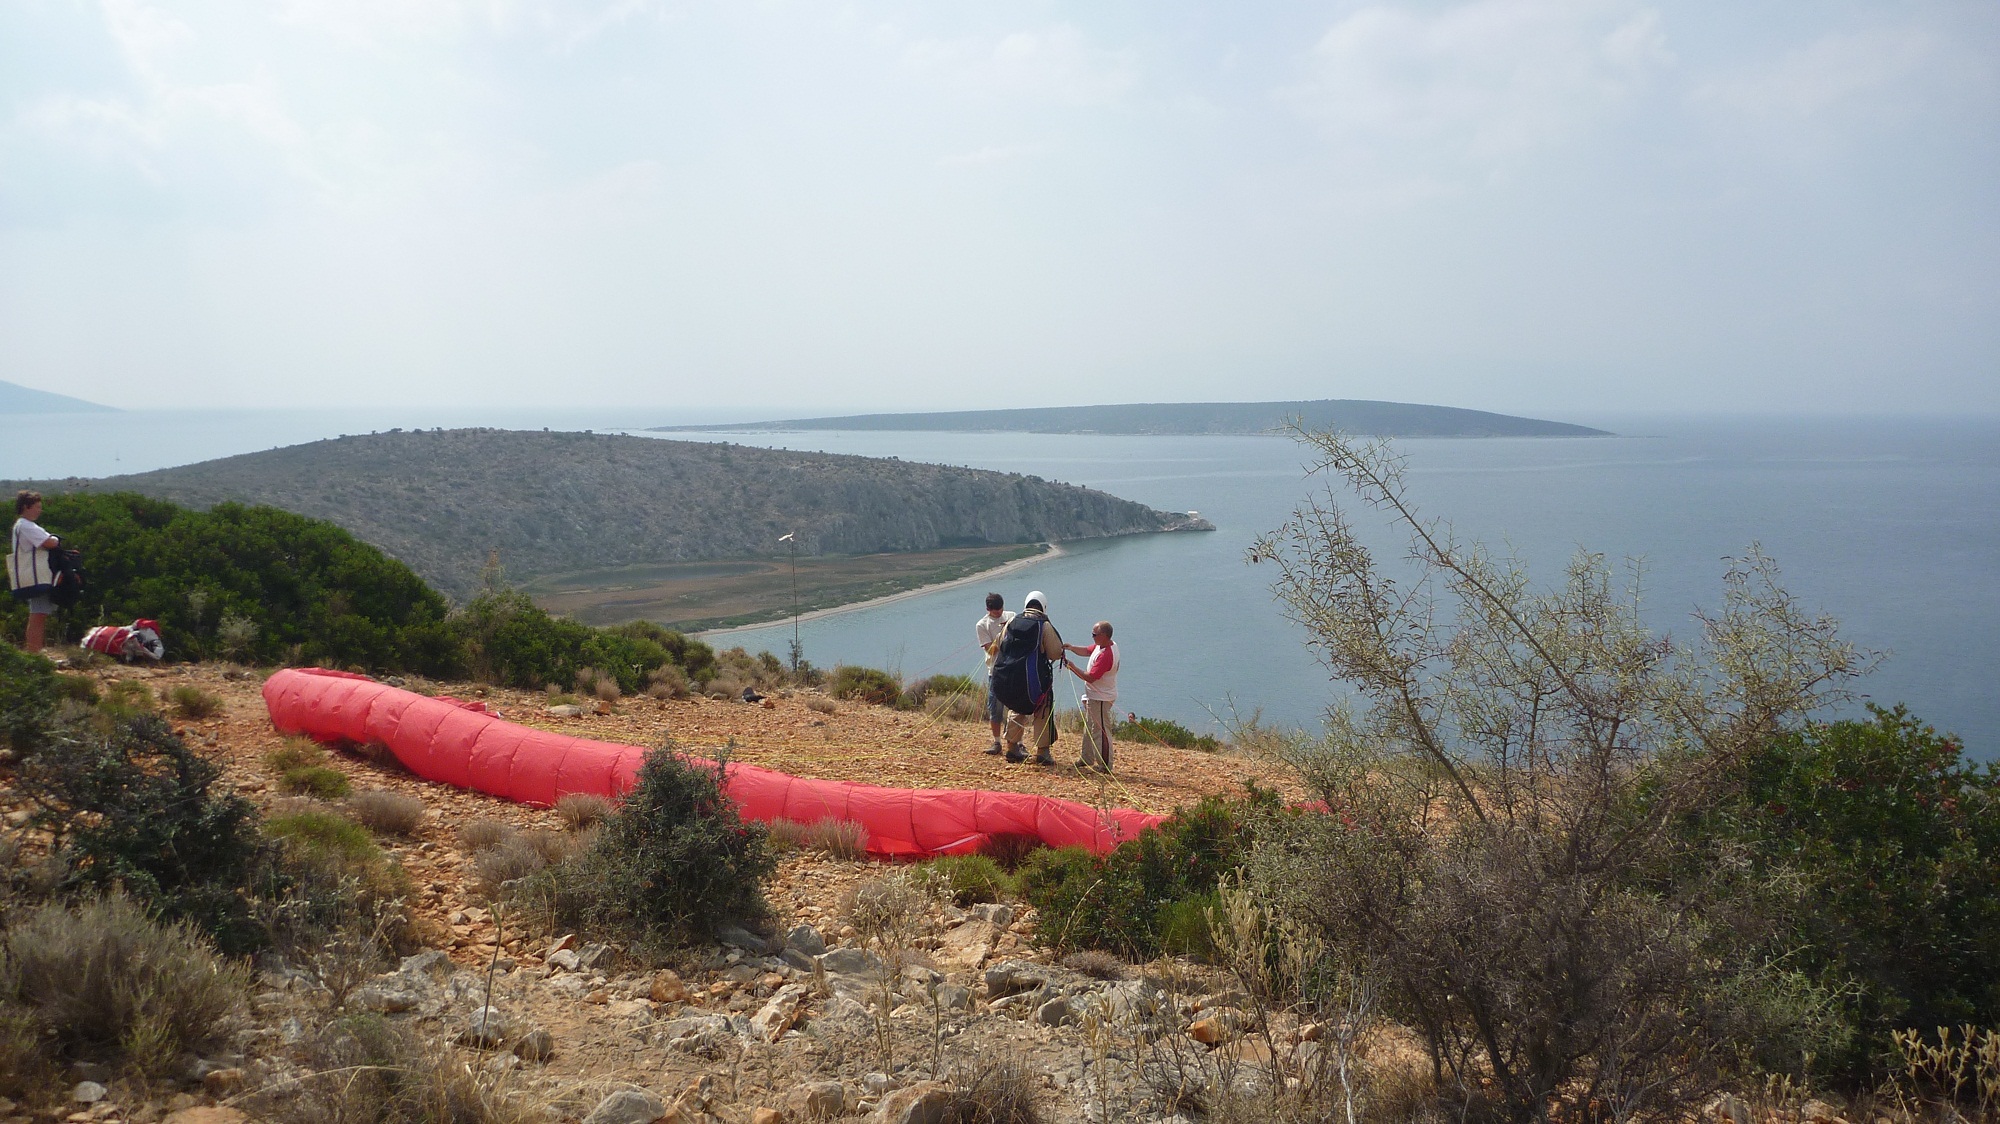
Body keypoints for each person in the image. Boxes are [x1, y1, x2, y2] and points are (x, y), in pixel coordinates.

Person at [994, 590, 1065, 765]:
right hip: (1035, 680)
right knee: (1043, 709)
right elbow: (1055, 652)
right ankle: (1042, 752)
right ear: (1043, 606)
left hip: (1011, 677)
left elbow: (999, 643)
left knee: (1016, 708)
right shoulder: (1044, 625)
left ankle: (1012, 747)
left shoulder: (1012, 621)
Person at [1063, 620, 1120, 773]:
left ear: (1104, 635)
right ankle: (1086, 758)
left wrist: (1072, 667)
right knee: (1089, 727)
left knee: (1100, 731)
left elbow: (1090, 677)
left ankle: (1105, 765)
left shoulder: (1106, 655)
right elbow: (1088, 650)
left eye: (1095, 634)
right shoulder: (1103, 646)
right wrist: (1071, 648)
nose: (1092, 636)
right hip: (1094, 697)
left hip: (1101, 698)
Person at [10, 491, 62, 654]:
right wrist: (56, 540)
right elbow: (49, 542)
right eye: (37, 507)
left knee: (39, 612)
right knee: (38, 613)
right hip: (36, 576)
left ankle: (35, 650)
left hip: (34, 575)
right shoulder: (26, 525)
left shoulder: (21, 525)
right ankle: (34, 652)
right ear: (27, 507)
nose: (40, 510)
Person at [974, 592, 1015, 756]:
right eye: (995, 610)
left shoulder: (1011, 616)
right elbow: (990, 650)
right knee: (995, 708)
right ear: (988, 609)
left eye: (1000, 609)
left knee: (1015, 708)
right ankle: (997, 742)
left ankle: (1016, 742)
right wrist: (1003, 635)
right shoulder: (982, 625)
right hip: (996, 671)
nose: (999, 613)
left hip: (1012, 668)